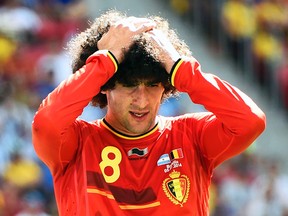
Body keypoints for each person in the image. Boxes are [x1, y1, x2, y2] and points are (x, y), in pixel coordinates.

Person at [32, 10, 266, 216]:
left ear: (167, 84)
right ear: (104, 85)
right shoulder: (74, 145)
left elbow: (250, 121)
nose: (141, 100)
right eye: (129, 85)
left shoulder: (193, 137)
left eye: (152, 85)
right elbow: (46, 123)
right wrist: (104, 61)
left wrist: (180, 67)